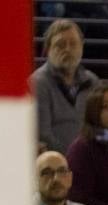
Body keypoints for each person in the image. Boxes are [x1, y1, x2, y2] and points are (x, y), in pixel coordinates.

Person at [32, 19, 100, 154]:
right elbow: (43, 135)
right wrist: (74, 158)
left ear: (82, 47)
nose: (67, 49)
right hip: (56, 164)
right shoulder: (38, 83)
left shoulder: (92, 81)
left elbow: (100, 126)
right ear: (48, 49)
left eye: (73, 44)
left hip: (89, 160)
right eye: (60, 45)